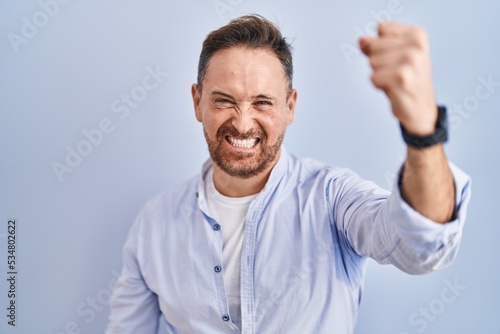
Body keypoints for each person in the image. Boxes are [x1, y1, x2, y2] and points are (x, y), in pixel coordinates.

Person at [106, 14, 471, 334]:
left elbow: (420, 246)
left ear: (290, 106)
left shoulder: (332, 197)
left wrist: (423, 132)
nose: (243, 122)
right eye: (224, 100)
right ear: (197, 102)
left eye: (262, 102)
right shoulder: (153, 224)